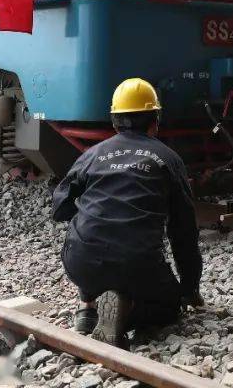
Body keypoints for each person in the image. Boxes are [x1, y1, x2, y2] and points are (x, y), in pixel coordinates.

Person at [51, 78, 203, 347]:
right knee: (169, 307)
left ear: (114, 122)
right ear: (155, 121)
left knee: (88, 229)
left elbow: (60, 207)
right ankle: (128, 311)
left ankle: (88, 308)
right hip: (139, 264)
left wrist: (89, 211)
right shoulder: (168, 158)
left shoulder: (92, 155)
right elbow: (184, 231)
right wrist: (189, 289)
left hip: (82, 264)